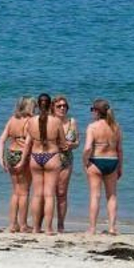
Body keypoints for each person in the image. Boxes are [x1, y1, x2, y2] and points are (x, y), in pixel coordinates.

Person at [26, 93, 69, 234]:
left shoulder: (31, 121)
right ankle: (49, 228)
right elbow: (63, 143)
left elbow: (30, 140)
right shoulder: (56, 122)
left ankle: (36, 227)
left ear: (38, 105)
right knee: (49, 195)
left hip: (35, 156)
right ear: (51, 105)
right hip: (51, 156)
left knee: (37, 194)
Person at [84, 99, 123, 235]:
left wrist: (85, 161)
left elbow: (88, 147)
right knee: (111, 196)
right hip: (112, 161)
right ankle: (112, 227)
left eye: (92, 110)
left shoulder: (92, 127)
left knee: (95, 196)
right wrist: (120, 167)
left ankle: (92, 228)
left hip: (96, 160)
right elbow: (119, 149)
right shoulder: (116, 126)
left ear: (96, 111)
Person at [0, 96, 35, 232]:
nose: (34, 108)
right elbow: (28, 143)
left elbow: (1, 139)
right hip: (23, 155)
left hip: (11, 154)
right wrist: (24, 161)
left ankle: (12, 224)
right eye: (33, 106)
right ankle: (23, 225)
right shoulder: (30, 121)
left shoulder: (12, 119)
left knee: (15, 192)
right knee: (24, 192)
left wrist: (1, 159)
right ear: (28, 107)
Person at [53, 95, 79, 232]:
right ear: (53, 107)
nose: (62, 108)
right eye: (59, 106)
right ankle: (43, 223)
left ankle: (61, 224)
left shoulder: (72, 122)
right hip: (50, 160)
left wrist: (71, 145)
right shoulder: (49, 121)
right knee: (47, 193)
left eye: (65, 106)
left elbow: (77, 142)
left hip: (66, 160)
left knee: (62, 193)